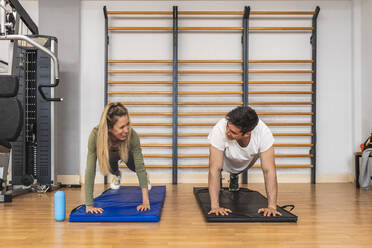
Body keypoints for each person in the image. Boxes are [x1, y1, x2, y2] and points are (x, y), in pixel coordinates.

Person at [207, 106, 282, 217]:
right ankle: (229, 176)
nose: (227, 132)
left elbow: (269, 171)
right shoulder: (219, 129)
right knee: (217, 167)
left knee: (241, 167)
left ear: (247, 133)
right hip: (226, 158)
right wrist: (215, 206)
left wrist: (272, 206)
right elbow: (214, 169)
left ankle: (234, 175)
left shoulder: (264, 133)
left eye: (232, 132)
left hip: (248, 159)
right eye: (227, 127)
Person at [84, 102, 151, 214]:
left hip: (126, 154)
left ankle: (145, 178)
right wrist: (89, 205)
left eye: (128, 124)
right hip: (110, 155)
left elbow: (140, 166)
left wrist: (145, 201)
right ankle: (117, 175)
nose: (127, 130)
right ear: (110, 128)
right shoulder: (95, 135)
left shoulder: (132, 135)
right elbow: (90, 171)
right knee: (110, 167)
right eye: (121, 127)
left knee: (135, 167)